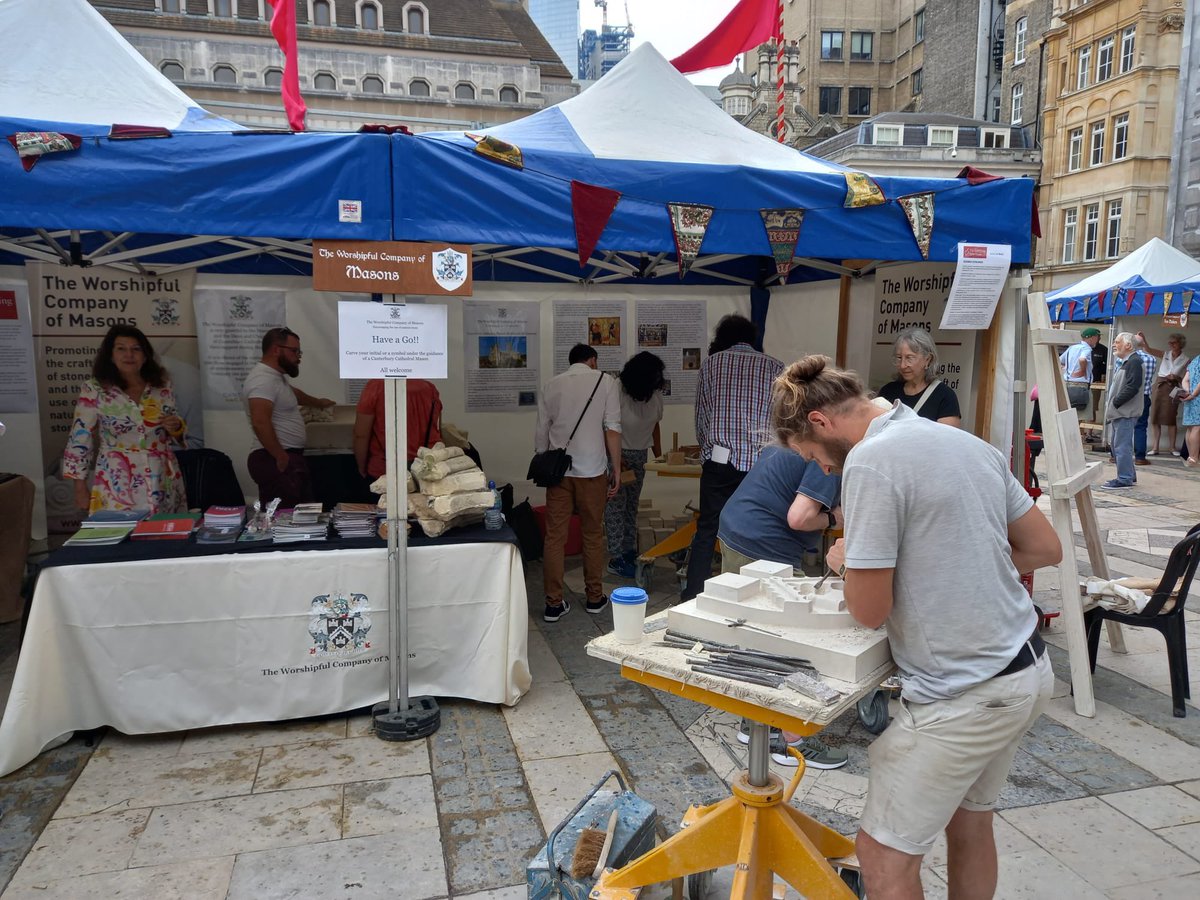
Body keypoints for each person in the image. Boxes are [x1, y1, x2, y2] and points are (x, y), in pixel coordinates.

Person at [770, 355, 1060, 900]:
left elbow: (870, 611)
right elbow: (1044, 548)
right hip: (1025, 670)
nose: (823, 470)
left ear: (819, 422)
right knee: (969, 822)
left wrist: (846, 561)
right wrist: (955, 561)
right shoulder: (967, 444)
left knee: (882, 854)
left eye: (812, 458)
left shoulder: (871, 462)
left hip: (965, 693)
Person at [718, 443, 850, 771]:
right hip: (763, 542)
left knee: (751, 632)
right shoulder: (829, 457)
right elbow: (800, 516)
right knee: (787, 640)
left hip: (737, 528)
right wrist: (835, 516)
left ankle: (754, 723)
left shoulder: (798, 437)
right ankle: (788, 740)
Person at [683, 314, 783, 601]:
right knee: (758, 527)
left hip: (720, 459)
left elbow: (702, 416)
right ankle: (753, 595)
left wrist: (706, 450)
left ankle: (693, 596)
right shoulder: (775, 366)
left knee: (707, 529)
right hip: (759, 463)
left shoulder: (711, 364)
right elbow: (778, 420)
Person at [535, 344, 621, 622]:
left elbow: (541, 433)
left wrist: (544, 459)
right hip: (593, 471)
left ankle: (553, 604)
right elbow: (613, 429)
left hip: (559, 474)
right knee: (593, 535)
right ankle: (595, 598)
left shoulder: (551, 385)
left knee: (554, 538)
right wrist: (616, 469)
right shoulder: (606, 382)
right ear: (592, 360)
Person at [62, 325, 187, 515]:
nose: (129, 354)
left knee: (165, 537)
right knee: (119, 537)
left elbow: (174, 427)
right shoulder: (94, 389)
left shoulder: (161, 385)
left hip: (162, 478)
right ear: (111, 355)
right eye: (121, 348)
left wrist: (176, 427)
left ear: (145, 355)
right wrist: (79, 488)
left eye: (136, 349)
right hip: (116, 481)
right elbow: (79, 439)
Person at [242, 327, 335, 509]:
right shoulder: (262, 380)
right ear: (276, 350)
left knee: (301, 515)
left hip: (286, 459)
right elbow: (260, 422)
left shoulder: (275, 378)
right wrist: (280, 456)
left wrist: (319, 403)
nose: (298, 356)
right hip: (275, 460)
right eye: (294, 351)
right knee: (285, 520)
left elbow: (295, 395)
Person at [605, 352, 665, 578]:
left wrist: (659, 456)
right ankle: (616, 558)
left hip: (639, 456)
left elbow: (655, 426)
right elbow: (607, 426)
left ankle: (628, 550)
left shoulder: (654, 394)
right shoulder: (617, 390)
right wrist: (616, 457)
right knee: (615, 507)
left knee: (631, 506)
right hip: (617, 455)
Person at [352, 378, 443, 483]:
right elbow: (436, 427)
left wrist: (361, 468)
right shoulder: (429, 388)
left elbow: (361, 435)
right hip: (426, 467)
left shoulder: (375, 387)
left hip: (385, 469)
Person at [876, 327, 961, 426]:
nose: (903, 365)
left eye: (910, 358)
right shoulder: (888, 391)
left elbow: (946, 439)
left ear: (928, 359)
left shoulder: (945, 397)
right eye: (899, 358)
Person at [1101, 332, 1144, 489]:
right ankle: (1129, 475)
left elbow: (1133, 386)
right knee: (1118, 444)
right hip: (1122, 411)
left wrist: (1116, 402)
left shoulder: (1134, 362)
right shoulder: (1129, 362)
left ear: (1128, 345)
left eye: (1117, 342)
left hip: (1125, 412)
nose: (1114, 344)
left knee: (1121, 445)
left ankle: (1124, 478)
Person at [1140, 331, 1189, 457]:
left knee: (1171, 417)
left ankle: (1172, 447)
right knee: (1155, 416)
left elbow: (1188, 377)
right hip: (1160, 386)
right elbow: (1148, 350)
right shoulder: (1165, 353)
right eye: (1170, 342)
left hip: (1174, 388)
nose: (1171, 344)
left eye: (1174, 342)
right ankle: (1155, 447)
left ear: (1180, 344)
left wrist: (1177, 377)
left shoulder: (1186, 359)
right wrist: (1144, 339)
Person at [1130, 335, 1158, 466]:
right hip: (1144, 395)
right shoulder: (1151, 359)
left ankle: (1116, 455)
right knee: (1141, 426)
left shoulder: (1126, 359)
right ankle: (1140, 457)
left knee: (1123, 424)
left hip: (1129, 395)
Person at [1060, 326, 1100, 412]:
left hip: (1067, 384)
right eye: (1097, 337)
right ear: (1092, 338)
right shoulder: (1086, 348)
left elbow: (1060, 360)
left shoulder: (1071, 347)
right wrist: (1082, 371)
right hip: (1080, 386)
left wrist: (1067, 367)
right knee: (1080, 416)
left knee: (1069, 414)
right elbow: (1082, 359)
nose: (1098, 339)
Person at [1180, 352, 1200, 467]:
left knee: (1190, 427)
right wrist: (1194, 394)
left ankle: (1190, 457)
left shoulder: (1194, 360)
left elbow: (1185, 380)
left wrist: (1188, 392)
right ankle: (1194, 458)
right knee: (1197, 427)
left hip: (1189, 398)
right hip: (1197, 397)